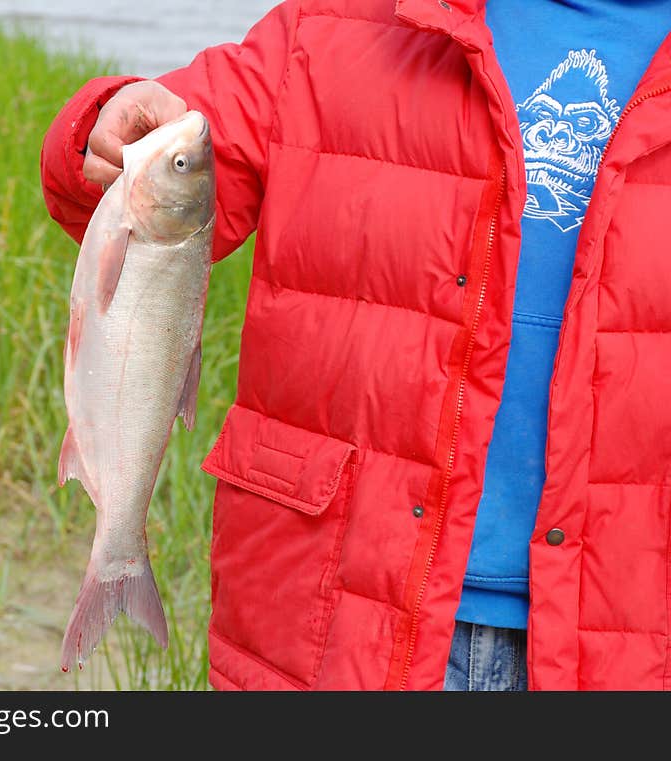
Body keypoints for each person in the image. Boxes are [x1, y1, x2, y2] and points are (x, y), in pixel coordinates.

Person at [40, 0, 671, 691]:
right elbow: (150, 168)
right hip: (341, 616)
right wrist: (104, 131)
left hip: (631, 644)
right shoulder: (336, 23)